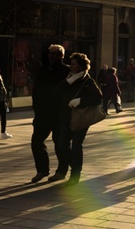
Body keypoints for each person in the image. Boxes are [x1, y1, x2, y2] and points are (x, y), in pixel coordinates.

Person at [55, 52, 103, 186]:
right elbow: (57, 92)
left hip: (81, 118)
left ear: (82, 66)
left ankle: (75, 174)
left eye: (74, 64)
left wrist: (80, 101)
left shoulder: (88, 81)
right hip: (66, 116)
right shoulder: (68, 78)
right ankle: (75, 166)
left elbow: (98, 97)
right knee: (62, 144)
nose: (71, 66)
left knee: (76, 145)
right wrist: (66, 82)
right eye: (71, 63)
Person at [30, 44, 70, 183]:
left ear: (61, 56)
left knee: (59, 143)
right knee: (36, 141)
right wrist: (36, 107)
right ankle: (42, 170)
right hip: (42, 113)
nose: (51, 56)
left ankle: (61, 171)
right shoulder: (43, 69)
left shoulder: (66, 71)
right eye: (50, 53)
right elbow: (37, 89)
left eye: (55, 54)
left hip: (59, 113)